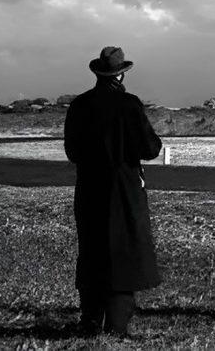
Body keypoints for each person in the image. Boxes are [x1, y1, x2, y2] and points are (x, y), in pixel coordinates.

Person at [64, 46, 163, 337]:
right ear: (121, 75)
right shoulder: (129, 105)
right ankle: (117, 325)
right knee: (123, 252)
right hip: (123, 189)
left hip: (89, 188)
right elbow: (150, 148)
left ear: (97, 73)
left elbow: (72, 152)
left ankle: (90, 319)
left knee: (92, 250)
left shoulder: (79, 105)